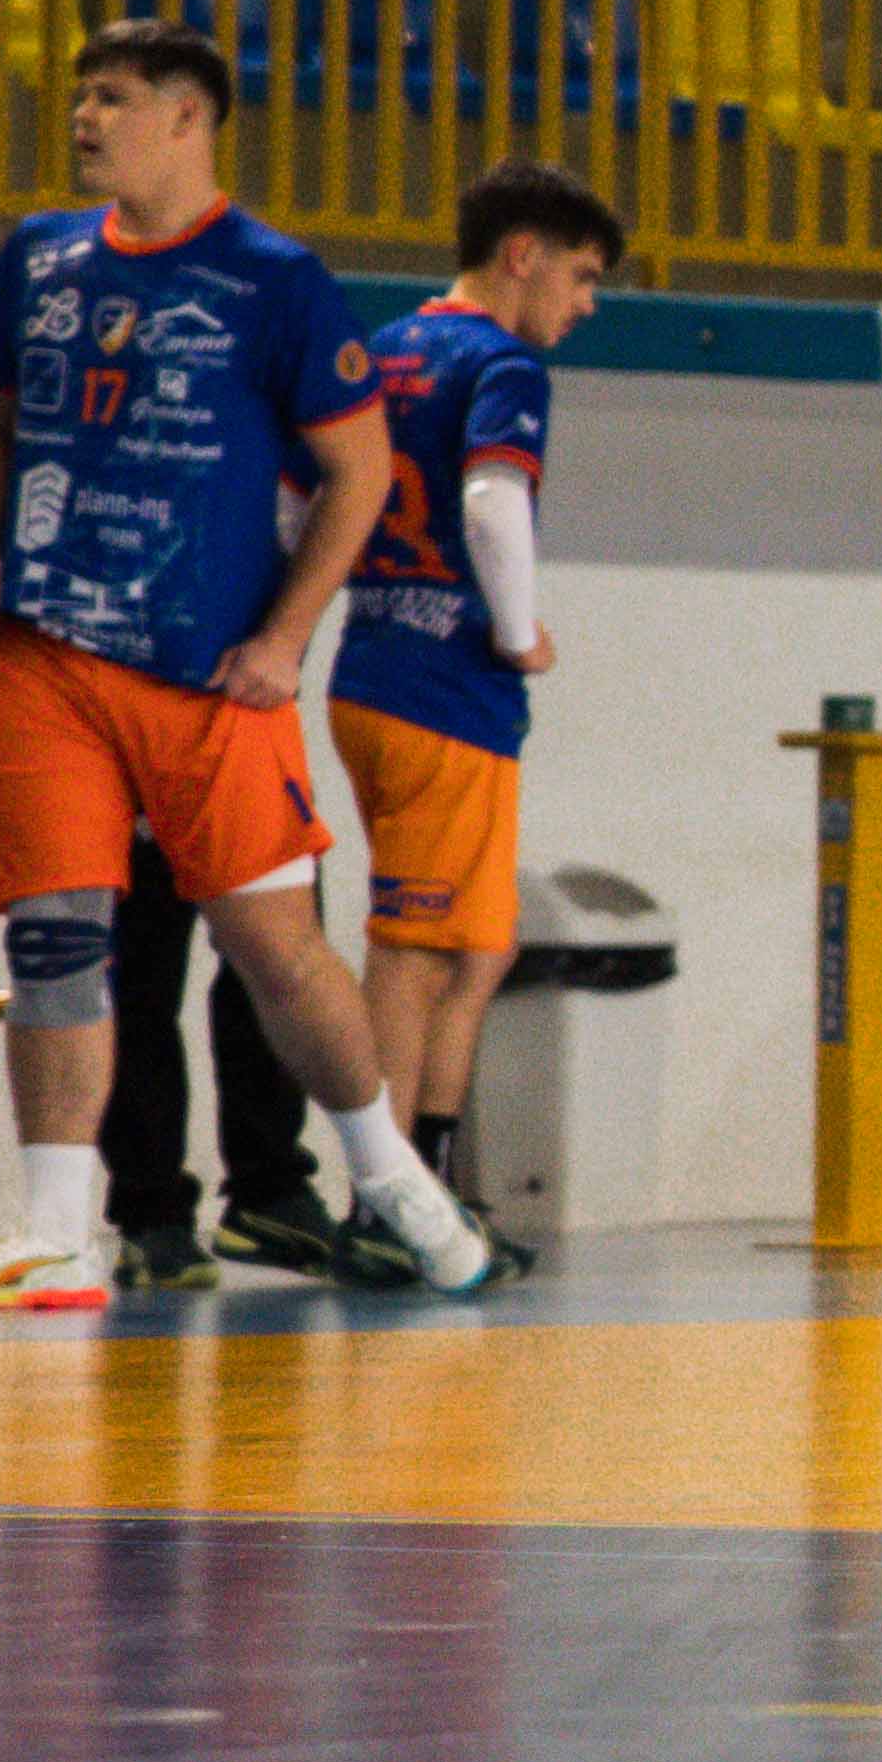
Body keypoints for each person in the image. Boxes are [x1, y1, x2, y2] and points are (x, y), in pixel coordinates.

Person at [0, 22, 498, 1311]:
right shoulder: (37, 256)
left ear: (188, 117)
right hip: (44, 658)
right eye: (80, 93)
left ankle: (391, 1175)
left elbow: (361, 470)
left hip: (206, 678)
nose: (84, 116)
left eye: (113, 97)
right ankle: (57, 1229)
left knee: (275, 952)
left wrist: (287, 638)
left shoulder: (273, 279)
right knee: (55, 936)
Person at [320, 160, 624, 1255]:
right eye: (581, 276)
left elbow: (304, 495)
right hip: (442, 688)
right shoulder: (502, 363)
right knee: (412, 954)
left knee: (479, 947)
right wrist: (515, 627)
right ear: (521, 255)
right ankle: (385, 1201)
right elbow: (494, 499)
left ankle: (433, 1181)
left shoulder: (378, 351)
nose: (585, 305)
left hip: (376, 671)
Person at [94, 835, 320, 1290]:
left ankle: (270, 1192)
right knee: (138, 982)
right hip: (129, 807)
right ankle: (151, 1210)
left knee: (277, 961)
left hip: (250, 797)